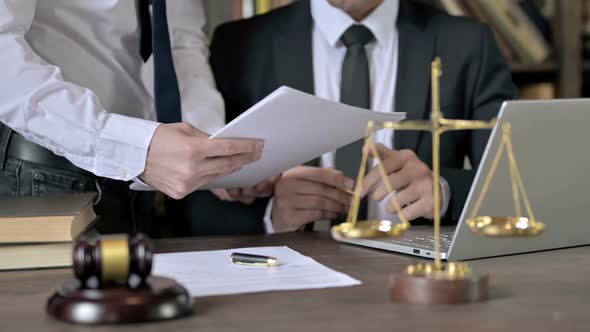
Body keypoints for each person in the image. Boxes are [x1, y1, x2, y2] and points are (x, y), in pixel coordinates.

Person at [191, 0, 516, 234]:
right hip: (287, 284)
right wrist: (271, 216)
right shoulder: (238, 45)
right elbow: (191, 205)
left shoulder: (468, 43)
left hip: (417, 277)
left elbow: (522, 182)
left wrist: (444, 191)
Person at [0, 1, 263, 233]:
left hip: (139, 180)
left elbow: (179, 41)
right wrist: (130, 148)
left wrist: (211, 147)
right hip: (47, 171)